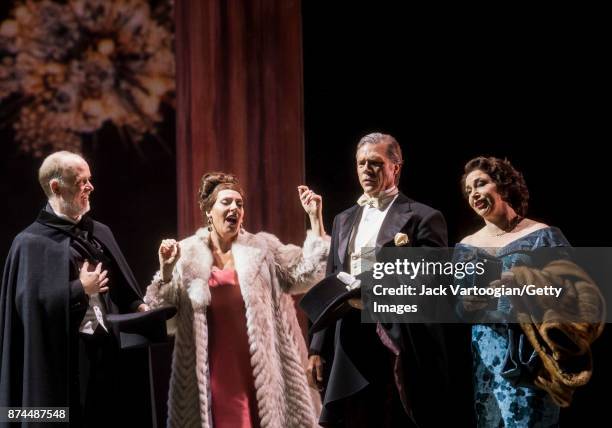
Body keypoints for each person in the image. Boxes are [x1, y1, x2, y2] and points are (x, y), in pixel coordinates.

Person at [144, 172, 328, 428]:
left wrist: (314, 217)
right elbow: (163, 320)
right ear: (209, 211)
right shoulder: (185, 254)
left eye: (239, 204)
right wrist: (165, 272)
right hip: (213, 371)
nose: (234, 208)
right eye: (226, 202)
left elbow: (310, 272)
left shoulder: (262, 249)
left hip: (263, 368)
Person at [306, 132, 451, 428]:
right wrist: (317, 346)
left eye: (375, 163)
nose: (366, 171)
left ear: (395, 167)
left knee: (397, 418)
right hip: (350, 334)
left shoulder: (423, 217)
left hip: (397, 336)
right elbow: (332, 278)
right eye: (361, 164)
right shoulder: (343, 219)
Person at [0, 151, 147, 426]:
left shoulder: (99, 232)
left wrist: (141, 307)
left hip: (106, 355)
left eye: (89, 180)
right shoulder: (30, 243)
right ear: (56, 187)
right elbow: (30, 309)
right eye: (81, 182)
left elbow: (126, 292)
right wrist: (80, 288)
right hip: (61, 363)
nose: (90, 187)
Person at [456, 156, 604, 427]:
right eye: (468, 190)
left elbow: (574, 295)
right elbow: (456, 308)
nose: (474, 194)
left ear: (501, 186)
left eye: (481, 184)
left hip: (531, 359)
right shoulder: (465, 247)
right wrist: (468, 302)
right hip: (486, 362)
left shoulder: (543, 236)